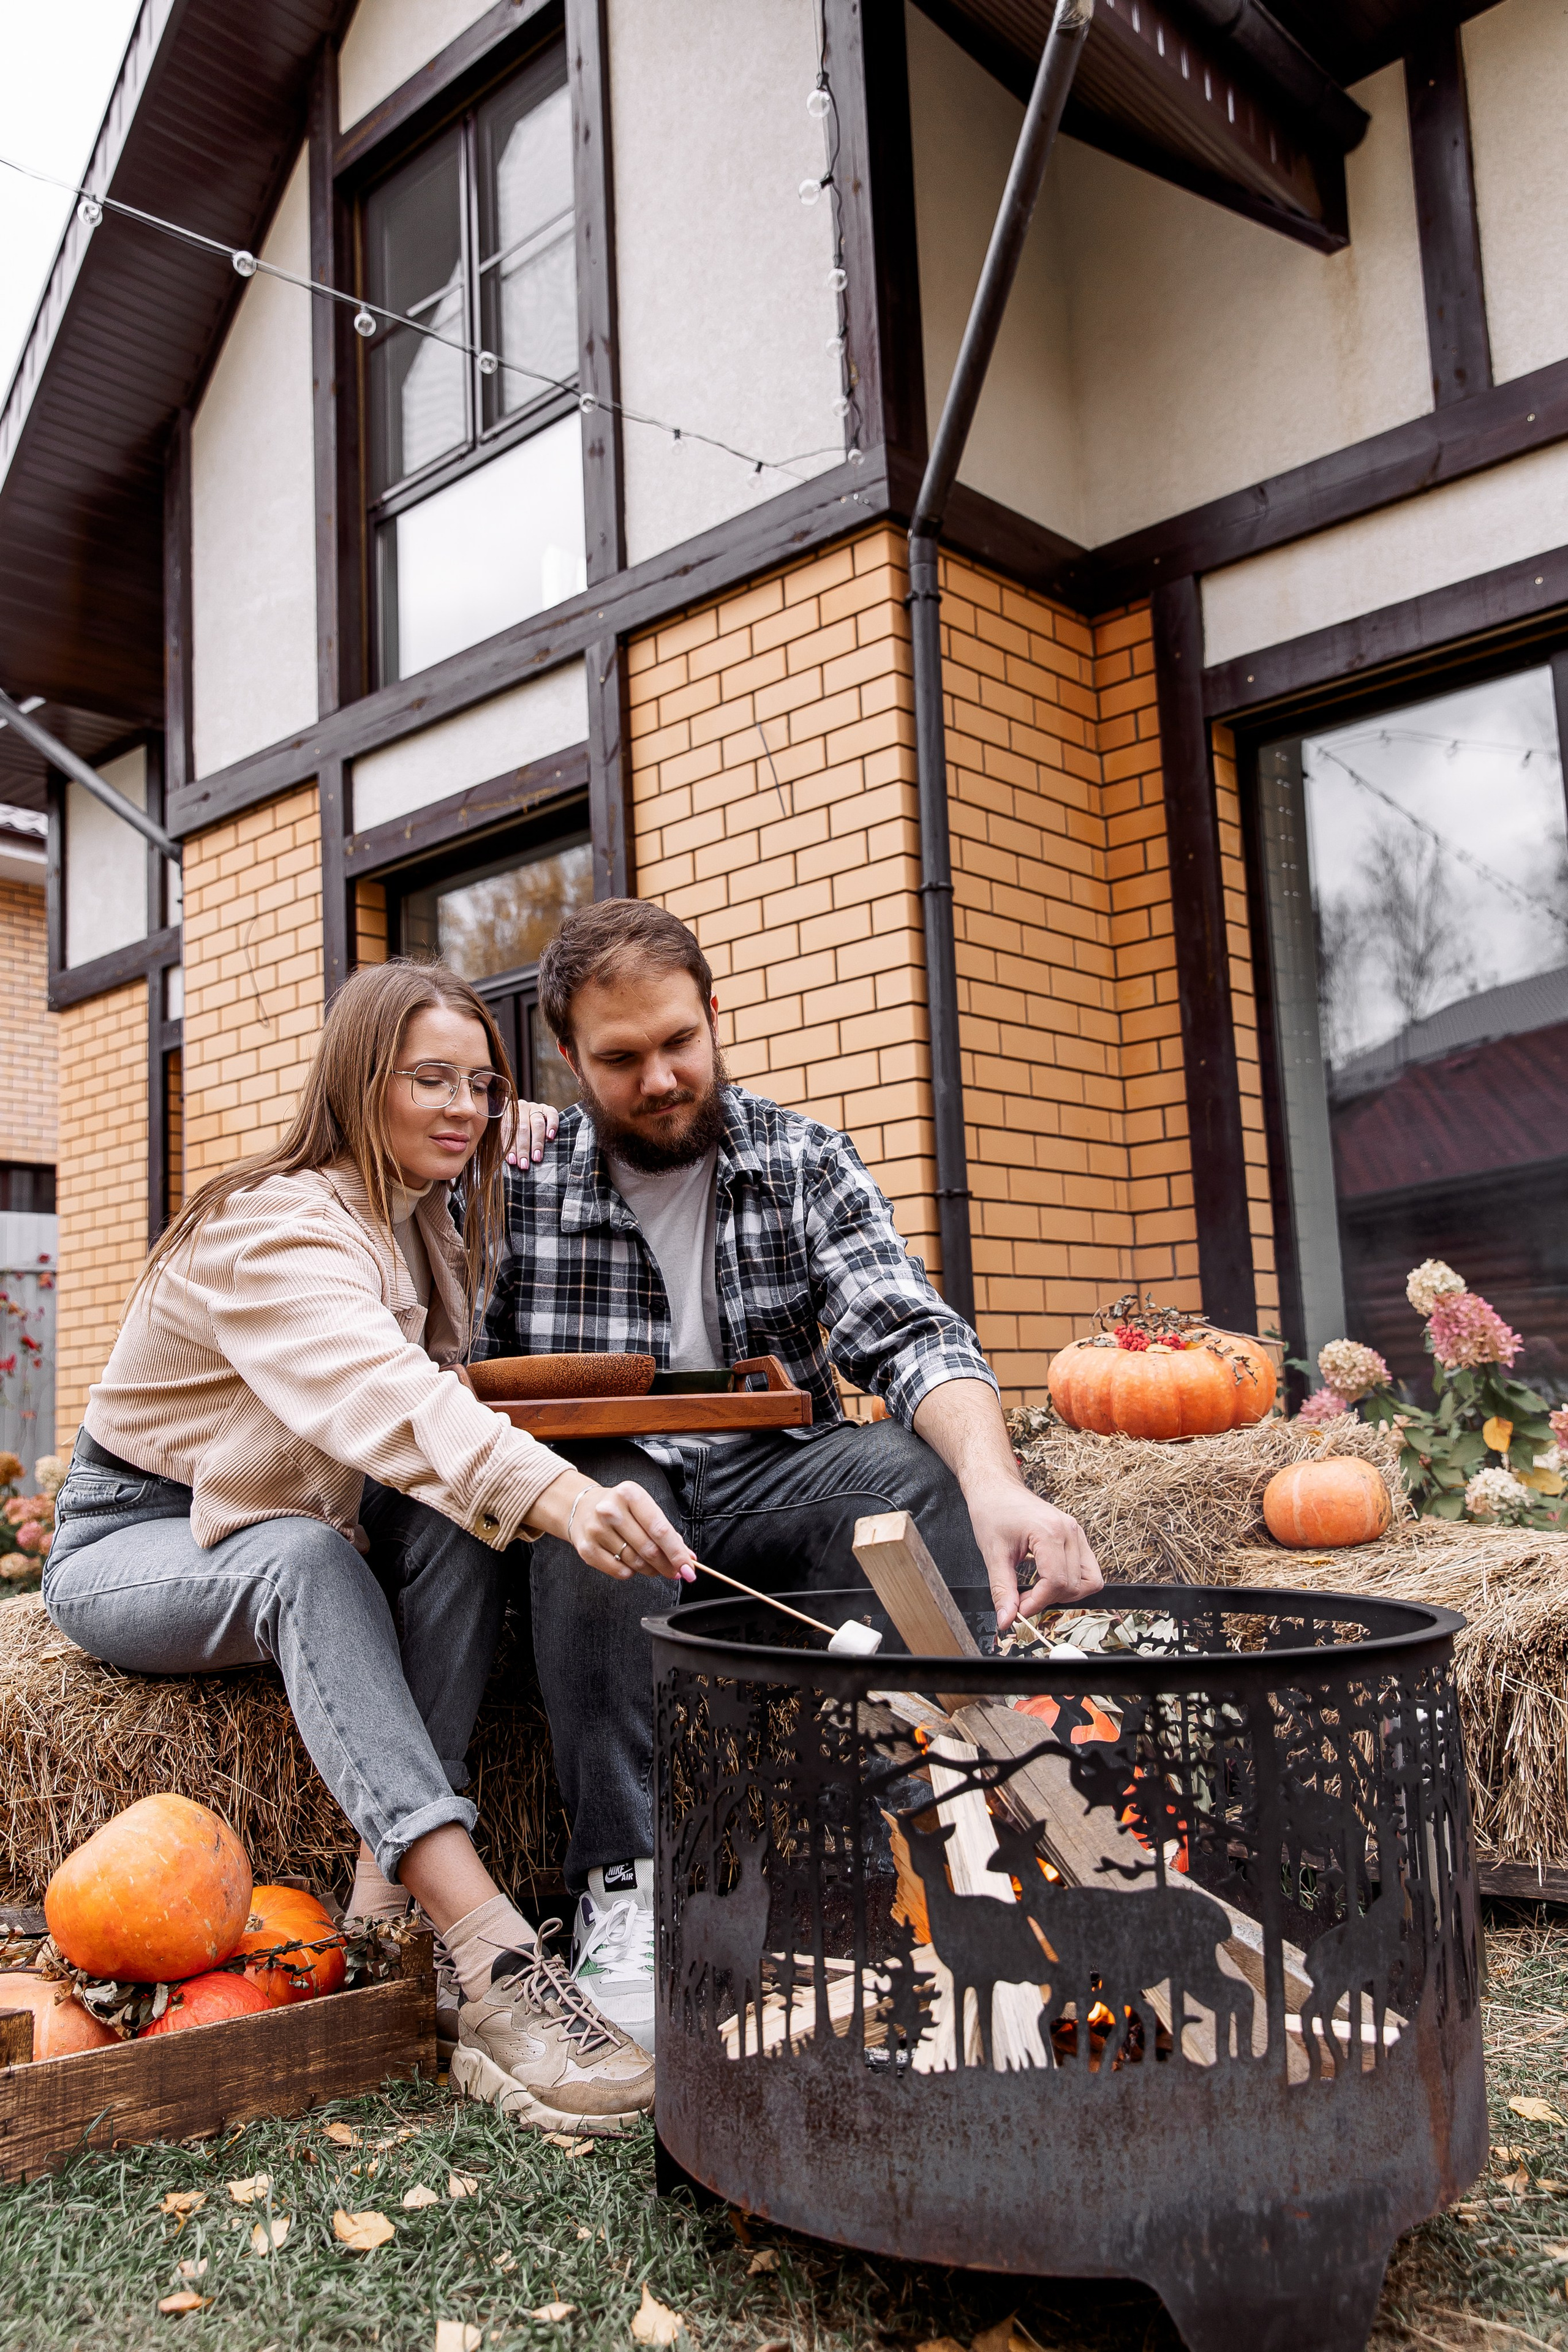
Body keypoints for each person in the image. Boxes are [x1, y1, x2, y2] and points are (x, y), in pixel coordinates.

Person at [43, 957, 702, 2132]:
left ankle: (384, 1918)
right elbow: (385, 1396)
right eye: (430, 1080)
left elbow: (427, 1418)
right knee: (305, 1561)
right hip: (133, 1533)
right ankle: (490, 1950)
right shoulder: (277, 1228)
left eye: (482, 1086)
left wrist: (521, 1118)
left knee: (440, 1517)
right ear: (359, 1082)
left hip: (279, 1509)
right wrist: (563, 1499)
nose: (464, 1108)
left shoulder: (418, 1214)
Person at [479, 898, 1104, 2053]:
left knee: (911, 1471)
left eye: (680, 1041)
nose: (661, 1079)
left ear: (715, 1015)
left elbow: (910, 1334)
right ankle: (626, 1884)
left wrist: (997, 1484)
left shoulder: (801, 1158)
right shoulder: (515, 1181)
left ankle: (958, 1832)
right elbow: (450, 1382)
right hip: (611, 1512)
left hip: (771, 1483)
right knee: (600, 1488)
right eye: (620, 1059)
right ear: (567, 1057)